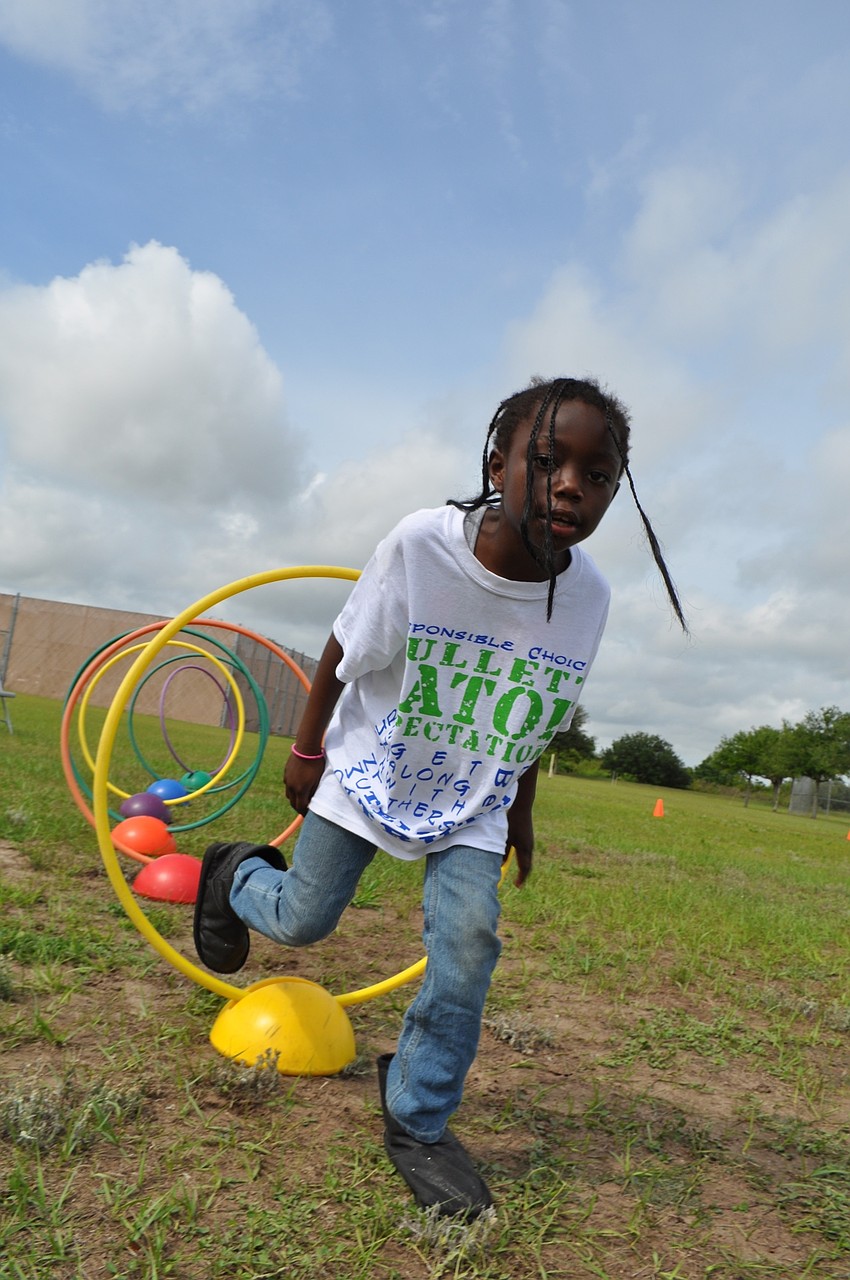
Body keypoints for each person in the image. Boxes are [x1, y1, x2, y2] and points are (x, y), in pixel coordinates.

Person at [193, 375, 686, 1218]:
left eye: (598, 474)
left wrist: (522, 812)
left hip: (476, 794)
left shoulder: (590, 599)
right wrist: (309, 747)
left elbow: (534, 710)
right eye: (549, 460)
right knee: (305, 920)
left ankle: (417, 1121)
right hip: (371, 766)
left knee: (467, 945)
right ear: (499, 465)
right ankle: (236, 874)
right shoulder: (425, 547)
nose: (573, 484)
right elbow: (344, 646)